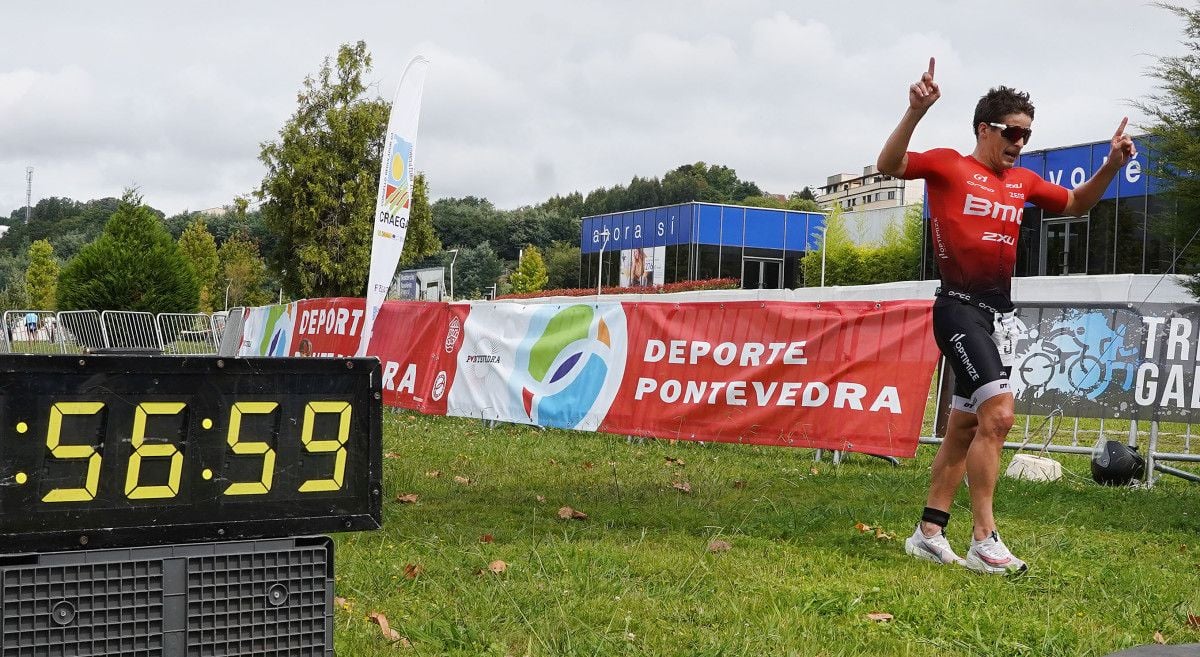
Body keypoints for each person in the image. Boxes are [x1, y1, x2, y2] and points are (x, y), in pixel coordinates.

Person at [877, 57, 1136, 574]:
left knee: (965, 426)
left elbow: (1077, 204)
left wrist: (1110, 164)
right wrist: (915, 112)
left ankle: (929, 532)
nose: (1019, 142)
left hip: (997, 317)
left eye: (1026, 134)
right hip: (957, 310)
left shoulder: (1021, 182)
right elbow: (889, 166)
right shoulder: (951, 165)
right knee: (999, 415)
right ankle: (983, 539)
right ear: (983, 129)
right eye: (1011, 132)